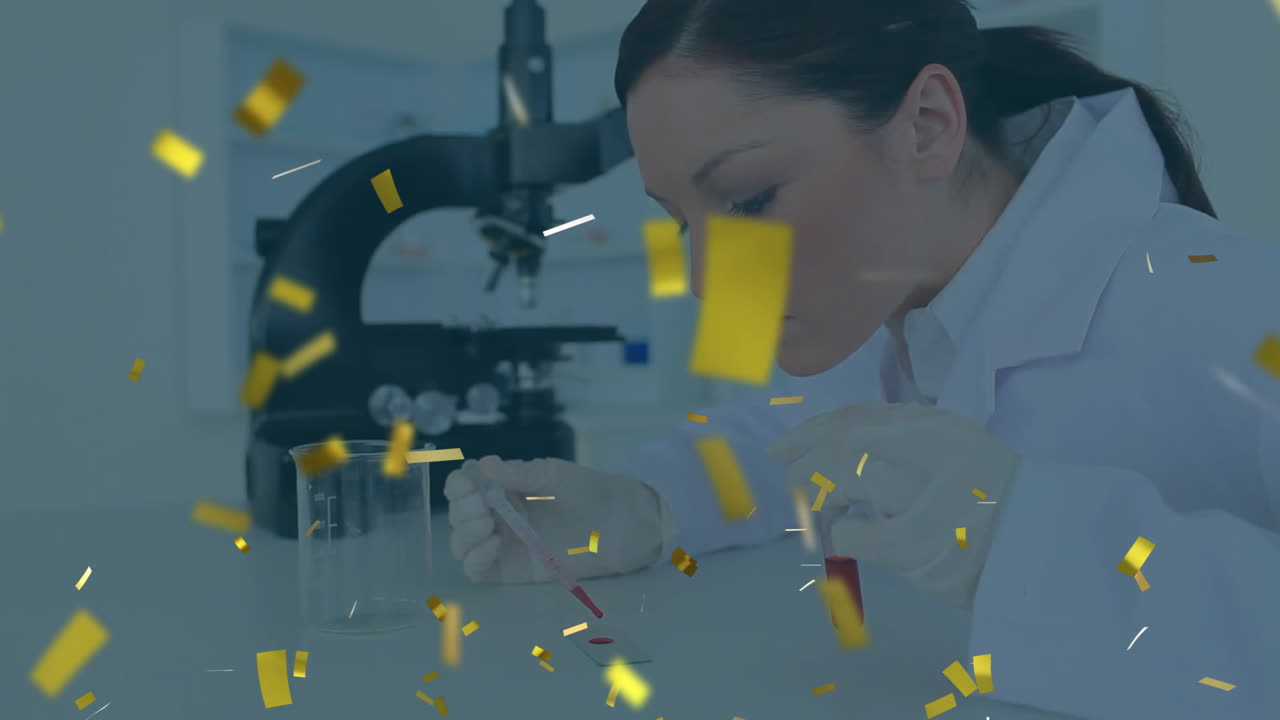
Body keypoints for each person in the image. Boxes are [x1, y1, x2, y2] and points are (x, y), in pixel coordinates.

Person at [446, 0, 1280, 717]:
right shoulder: (893, 306)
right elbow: (783, 438)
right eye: (682, 220)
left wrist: (1034, 544)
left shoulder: (1231, 310)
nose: (705, 278)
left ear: (927, 125)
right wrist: (645, 508)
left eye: (749, 199)